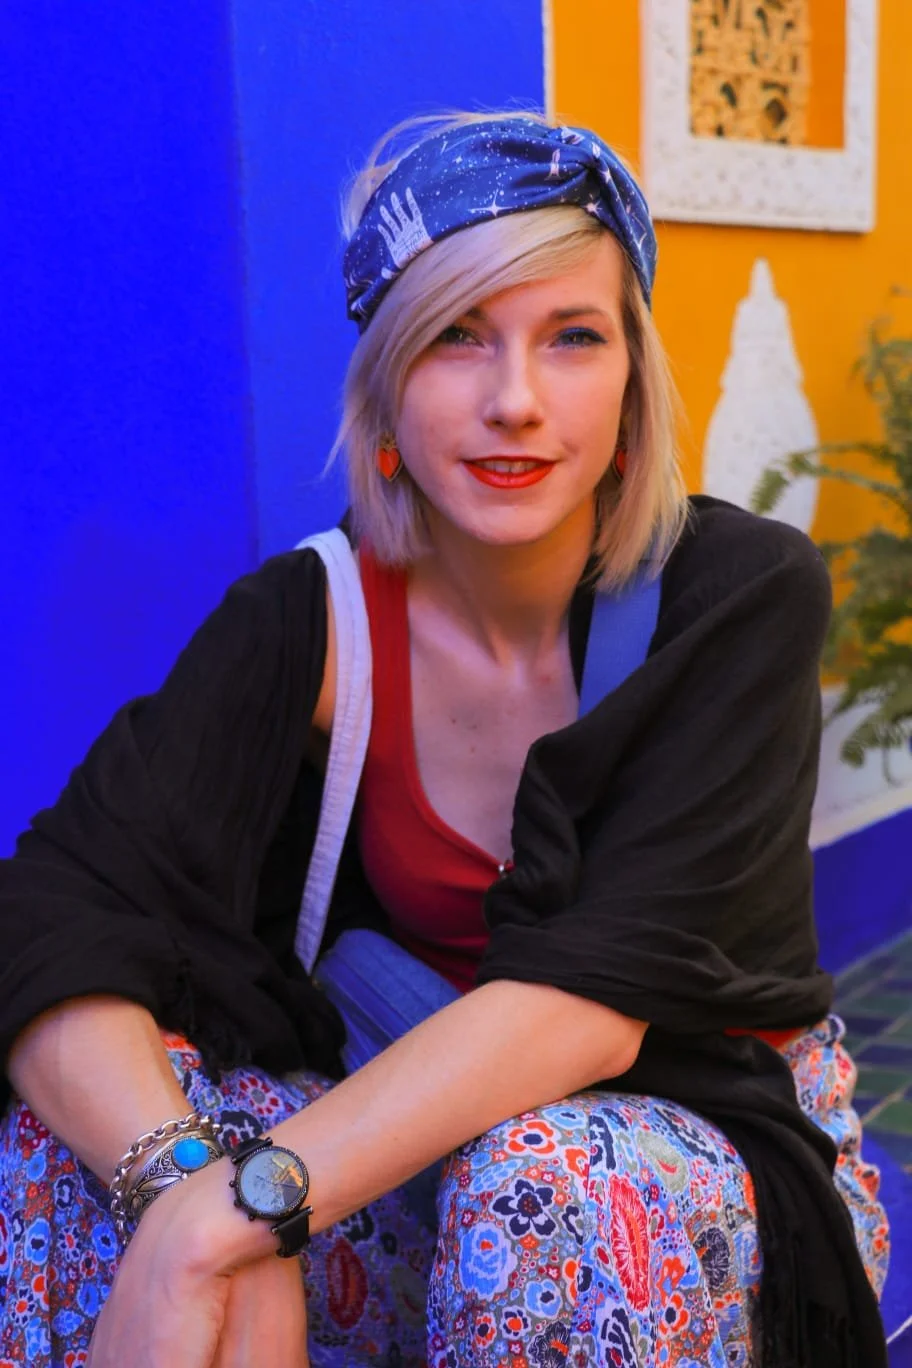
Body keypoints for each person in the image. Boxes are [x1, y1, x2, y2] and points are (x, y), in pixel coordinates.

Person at [0, 111, 890, 1368]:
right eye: (456, 338)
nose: (515, 401)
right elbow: (55, 907)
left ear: (634, 378)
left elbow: (594, 1003)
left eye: (571, 338)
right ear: (385, 387)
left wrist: (240, 1211)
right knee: (66, 1147)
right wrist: (176, 1182)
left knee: (553, 1181)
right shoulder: (309, 623)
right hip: (410, 1157)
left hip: (689, 1152)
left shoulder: (737, 595)